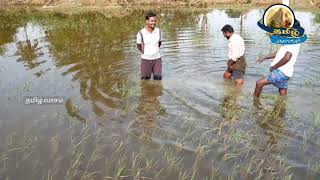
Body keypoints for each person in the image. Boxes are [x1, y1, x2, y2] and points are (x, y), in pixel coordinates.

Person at [136, 11, 163, 80]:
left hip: (157, 59)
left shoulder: (159, 31)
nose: (153, 23)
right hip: (145, 59)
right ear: (147, 21)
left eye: (155, 21)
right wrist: (143, 52)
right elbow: (138, 45)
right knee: (145, 80)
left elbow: (159, 43)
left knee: (158, 79)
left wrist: (155, 50)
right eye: (151, 21)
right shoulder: (141, 32)